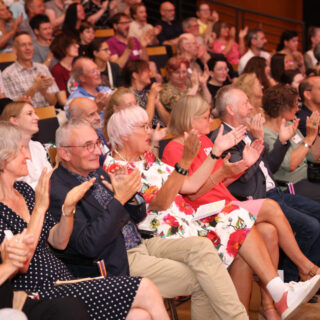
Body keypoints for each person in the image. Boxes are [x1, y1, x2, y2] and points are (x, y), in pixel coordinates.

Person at [104, 104, 320, 320]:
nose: (150, 131)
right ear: (124, 135)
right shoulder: (117, 169)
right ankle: (281, 291)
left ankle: (277, 294)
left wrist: (215, 152)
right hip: (166, 233)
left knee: (243, 229)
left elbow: (189, 185)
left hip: (188, 220)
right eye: (144, 127)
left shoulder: (147, 158)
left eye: (148, 125)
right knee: (241, 222)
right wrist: (184, 163)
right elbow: (158, 205)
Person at [51, 118, 249, 320]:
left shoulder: (98, 172)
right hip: (117, 259)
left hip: (142, 241)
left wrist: (131, 196)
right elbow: (89, 245)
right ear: (65, 153)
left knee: (203, 248)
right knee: (204, 280)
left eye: (97, 143)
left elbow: (138, 215)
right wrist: (119, 199)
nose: (96, 151)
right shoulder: (59, 190)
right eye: (87, 146)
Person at [0, 120, 169, 320]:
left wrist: (68, 210)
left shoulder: (24, 191)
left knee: (139, 316)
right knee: (144, 287)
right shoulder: (37, 197)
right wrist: (40, 208)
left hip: (63, 280)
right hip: (36, 291)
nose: (28, 156)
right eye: (21, 150)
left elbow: (58, 242)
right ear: (3, 157)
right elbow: (23, 262)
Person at [210, 85, 320, 283]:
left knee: (317, 214)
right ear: (230, 109)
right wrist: (259, 141)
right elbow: (240, 177)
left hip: (274, 192)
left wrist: (282, 142)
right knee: (310, 226)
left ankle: (306, 278)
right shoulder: (224, 138)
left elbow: (269, 166)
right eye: (245, 103)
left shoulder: (244, 131)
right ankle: (292, 280)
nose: (251, 107)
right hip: (257, 198)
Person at [0, 230, 90, 320]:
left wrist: (13, 257)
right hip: (36, 287)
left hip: (12, 300)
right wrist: (10, 265)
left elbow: (60, 242)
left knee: (71, 308)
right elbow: (89, 244)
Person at [263, 84, 320, 202]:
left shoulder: (289, 125)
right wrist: (308, 139)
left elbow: (312, 156)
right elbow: (291, 165)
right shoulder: (265, 134)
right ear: (284, 108)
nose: (298, 108)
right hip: (289, 186)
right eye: (295, 104)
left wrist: (316, 133)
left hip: (307, 178)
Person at [0, 101, 51, 189]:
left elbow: (50, 176)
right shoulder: (7, 151)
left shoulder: (37, 146)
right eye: (29, 114)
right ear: (14, 120)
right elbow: (17, 188)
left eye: (35, 113)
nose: (37, 118)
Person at [2, 32, 59, 108]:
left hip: (48, 114)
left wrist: (44, 92)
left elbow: (54, 102)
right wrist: (35, 87)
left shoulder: (43, 68)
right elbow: (12, 107)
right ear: (15, 50)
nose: (28, 48)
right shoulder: (7, 74)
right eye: (23, 45)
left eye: (30, 44)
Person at [123, 59, 169, 127]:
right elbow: (145, 124)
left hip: (162, 132)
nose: (150, 74)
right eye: (146, 71)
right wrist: (151, 97)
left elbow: (169, 123)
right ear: (135, 75)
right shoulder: (128, 96)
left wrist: (157, 103)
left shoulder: (149, 93)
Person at [69, 97, 109, 163]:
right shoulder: (75, 146)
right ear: (76, 120)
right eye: (91, 114)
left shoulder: (98, 133)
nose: (98, 117)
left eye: (97, 112)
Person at [50, 33, 79, 103]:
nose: (77, 46)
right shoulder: (57, 70)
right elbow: (63, 101)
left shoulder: (77, 66)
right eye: (73, 45)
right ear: (63, 48)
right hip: (70, 108)